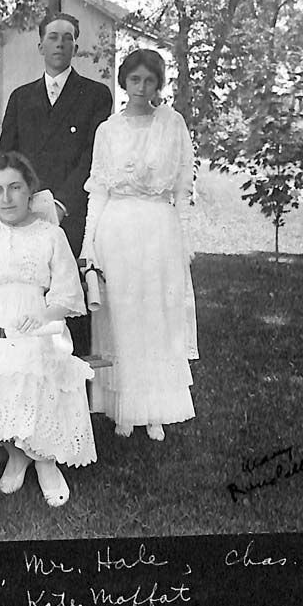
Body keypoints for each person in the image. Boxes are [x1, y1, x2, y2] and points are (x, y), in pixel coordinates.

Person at [0, 151, 95, 508]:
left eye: (15, 187)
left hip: (39, 322)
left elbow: (67, 292)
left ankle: (44, 461)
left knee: (33, 358)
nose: (7, 198)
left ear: (30, 189)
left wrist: (44, 316)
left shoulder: (51, 234)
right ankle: (17, 453)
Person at [81, 48, 198, 441]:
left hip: (159, 229)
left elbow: (182, 189)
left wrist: (183, 239)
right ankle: (123, 407)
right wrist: (88, 243)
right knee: (122, 316)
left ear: (158, 84)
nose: (142, 87)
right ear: (124, 82)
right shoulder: (108, 130)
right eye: (135, 79)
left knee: (156, 316)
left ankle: (155, 409)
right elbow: (98, 190)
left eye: (150, 80)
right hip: (117, 230)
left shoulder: (172, 124)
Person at [0, 12, 114, 354]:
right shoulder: (21, 97)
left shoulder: (95, 95)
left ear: (75, 47)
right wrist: (22, 202)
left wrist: (62, 204)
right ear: (40, 46)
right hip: (26, 211)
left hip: (71, 212)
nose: (60, 44)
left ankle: (78, 379)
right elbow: (7, 156)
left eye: (67, 38)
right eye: (53, 37)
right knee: (29, 291)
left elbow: (92, 157)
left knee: (69, 294)